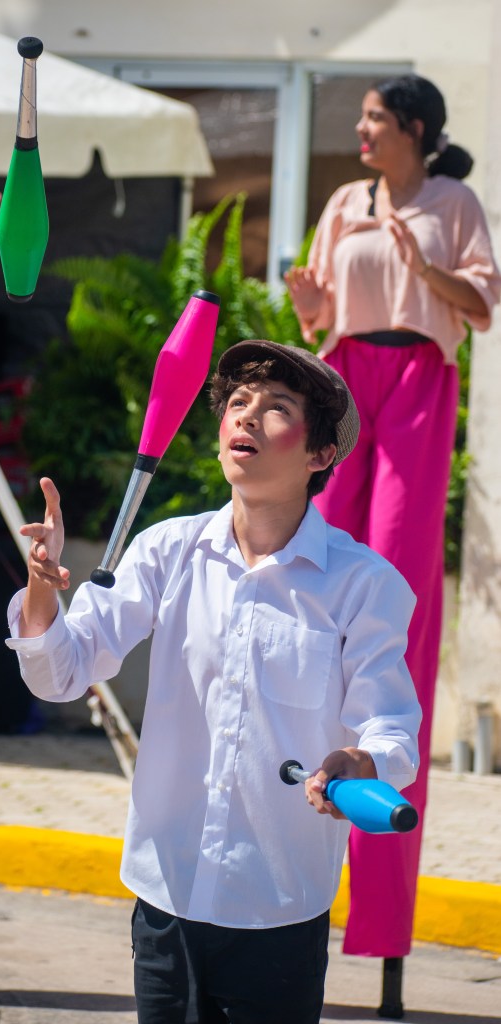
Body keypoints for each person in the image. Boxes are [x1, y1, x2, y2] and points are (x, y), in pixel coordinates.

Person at [6, 339, 422, 1024]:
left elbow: (390, 727)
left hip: (279, 906)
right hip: (164, 894)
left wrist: (362, 760)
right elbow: (63, 672)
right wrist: (41, 588)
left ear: (319, 455)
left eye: (275, 408)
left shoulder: (363, 585)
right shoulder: (165, 552)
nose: (246, 418)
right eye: (236, 404)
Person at [284, 74, 501, 978]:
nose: (361, 130)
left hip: (417, 384)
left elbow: (482, 306)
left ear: (411, 127)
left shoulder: (453, 202)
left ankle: (379, 921)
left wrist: (423, 270)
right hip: (343, 386)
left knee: (398, 599)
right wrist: (305, 306)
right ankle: (298, 842)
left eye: (373, 117)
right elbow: (322, 318)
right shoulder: (343, 201)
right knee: (319, 581)